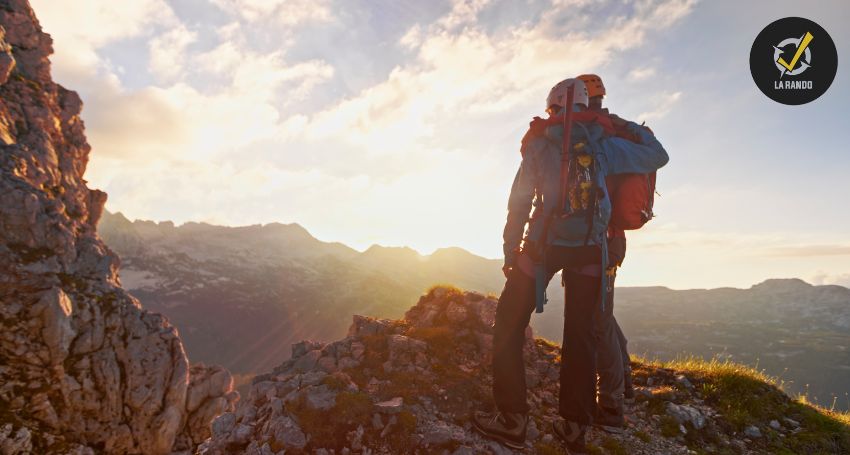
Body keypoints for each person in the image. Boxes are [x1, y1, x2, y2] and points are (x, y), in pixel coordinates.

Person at [471, 77, 668, 454]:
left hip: (541, 249)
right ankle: (574, 428)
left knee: (509, 324)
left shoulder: (538, 144)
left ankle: (513, 419)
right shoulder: (606, 144)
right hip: (591, 250)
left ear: (553, 107)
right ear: (585, 106)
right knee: (580, 338)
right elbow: (658, 155)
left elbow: (520, 202)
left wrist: (511, 250)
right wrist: (621, 124)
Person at [576, 73, 636, 434]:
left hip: (600, 242)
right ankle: (624, 381)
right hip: (608, 240)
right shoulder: (612, 131)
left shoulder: (599, 134)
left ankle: (612, 408)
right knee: (602, 313)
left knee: (598, 321)